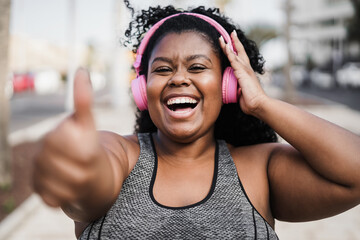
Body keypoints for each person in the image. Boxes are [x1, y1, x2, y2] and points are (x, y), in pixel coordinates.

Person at [33, 3, 360, 240]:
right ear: (142, 91)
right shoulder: (120, 154)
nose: (178, 78)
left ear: (228, 85)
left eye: (197, 67)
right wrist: (78, 166)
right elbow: (90, 184)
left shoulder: (259, 168)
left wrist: (262, 103)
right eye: (162, 69)